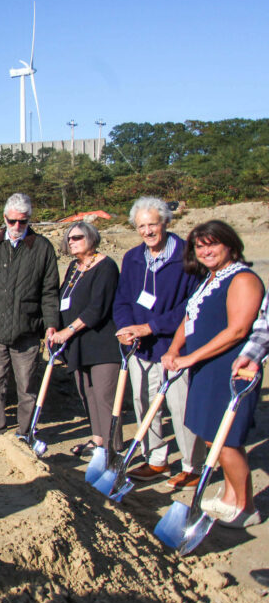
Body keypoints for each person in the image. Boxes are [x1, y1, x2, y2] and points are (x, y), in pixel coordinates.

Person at [163, 220, 263, 528]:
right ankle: (229, 495)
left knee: (228, 440)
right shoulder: (210, 279)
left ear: (230, 244)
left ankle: (245, 506)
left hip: (231, 369)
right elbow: (189, 319)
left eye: (212, 244)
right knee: (211, 436)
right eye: (200, 246)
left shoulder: (243, 279)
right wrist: (175, 349)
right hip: (205, 368)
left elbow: (238, 330)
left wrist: (191, 356)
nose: (206, 251)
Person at [114, 197, 203, 488]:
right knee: (143, 403)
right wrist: (126, 328)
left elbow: (192, 306)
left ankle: (192, 466)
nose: (147, 231)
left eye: (152, 224)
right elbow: (123, 299)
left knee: (181, 406)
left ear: (165, 222)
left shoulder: (187, 256)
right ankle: (155, 459)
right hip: (140, 346)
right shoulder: (133, 258)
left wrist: (151, 326)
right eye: (141, 226)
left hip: (175, 345)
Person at [0, 193, 60, 436]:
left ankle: (26, 432)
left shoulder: (43, 248)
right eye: (12, 221)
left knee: (27, 387)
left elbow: (50, 291)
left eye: (23, 221)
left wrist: (51, 323)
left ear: (30, 220)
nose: (17, 226)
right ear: (4, 219)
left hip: (27, 329)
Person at [48, 222, 121, 456]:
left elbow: (96, 308)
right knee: (86, 393)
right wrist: (53, 328)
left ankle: (112, 449)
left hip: (101, 343)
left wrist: (67, 330)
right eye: (69, 238)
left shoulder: (106, 266)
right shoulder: (74, 267)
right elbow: (63, 300)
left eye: (77, 237)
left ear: (91, 238)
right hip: (78, 345)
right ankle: (97, 440)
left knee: (103, 396)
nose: (71, 242)